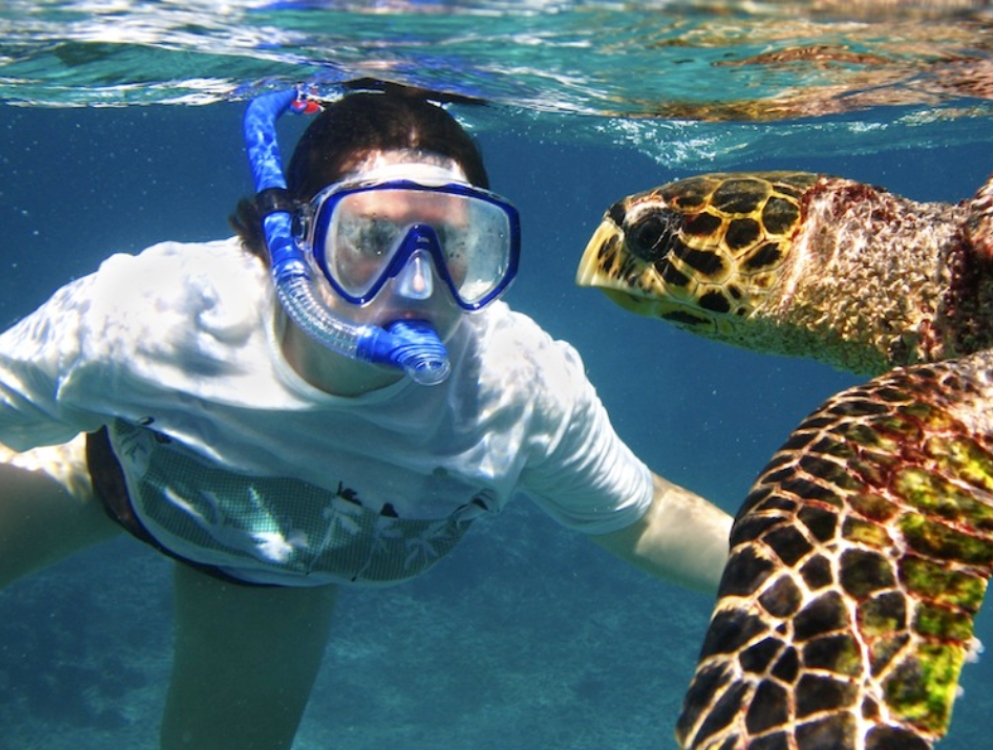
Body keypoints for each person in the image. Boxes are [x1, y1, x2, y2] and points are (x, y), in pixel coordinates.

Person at [0, 82, 733, 749]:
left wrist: (824, 579)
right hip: (108, 480)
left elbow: (645, 518)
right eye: (372, 238)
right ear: (286, 241)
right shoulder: (160, 313)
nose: (417, 283)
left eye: (451, 242)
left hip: (271, 580)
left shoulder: (516, 388)